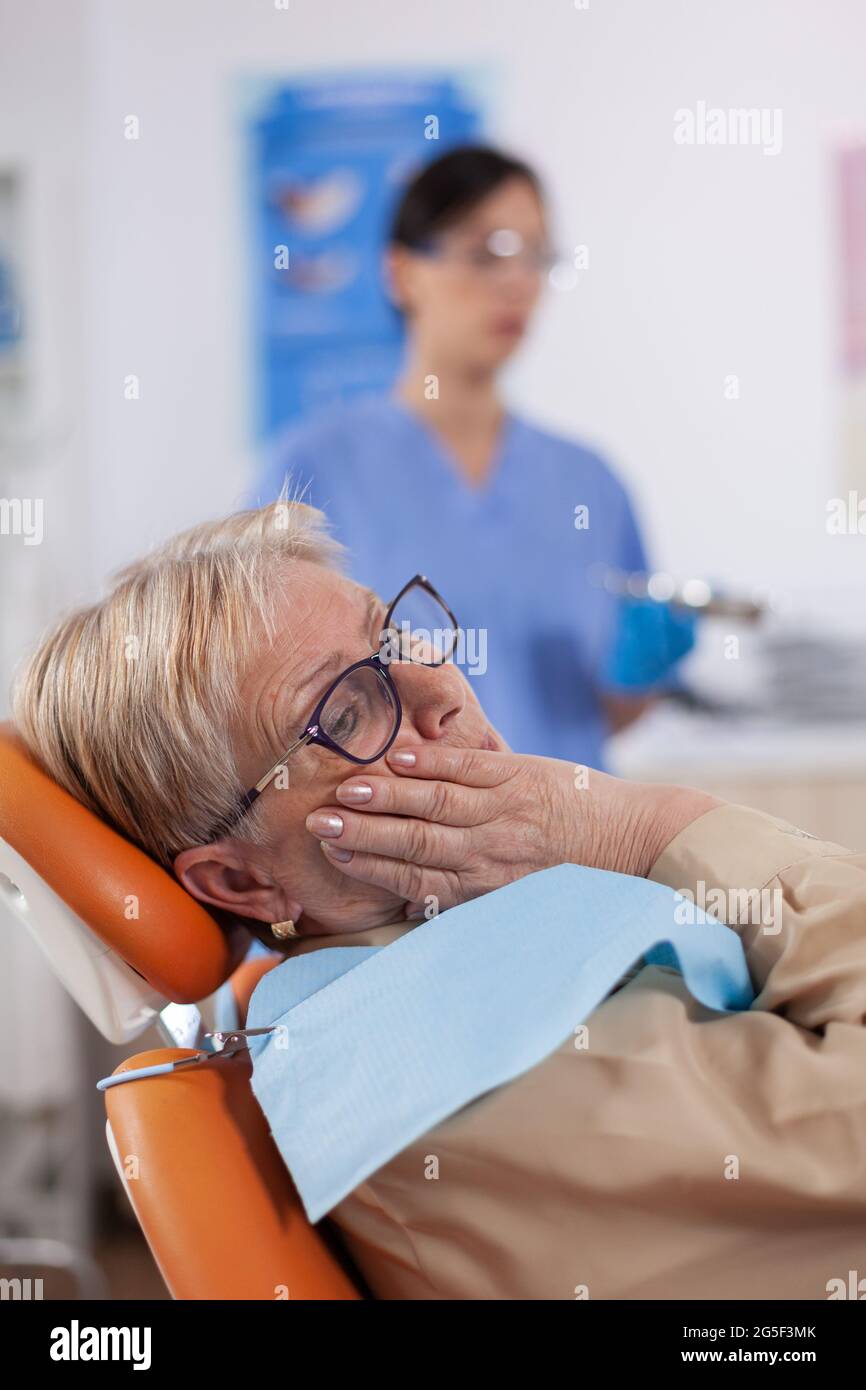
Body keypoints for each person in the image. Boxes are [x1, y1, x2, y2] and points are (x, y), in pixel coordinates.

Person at [13, 498, 866, 1299]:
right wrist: (653, 828)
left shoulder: (476, 946)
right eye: (343, 715)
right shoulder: (474, 1078)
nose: (440, 690)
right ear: (242, 880)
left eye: (394, 637)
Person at [258, 146, 694, 769]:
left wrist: (638, 678)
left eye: (536, 256)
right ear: (403, 272)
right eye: (488, 253)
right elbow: (267, 705)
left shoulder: (590, 483)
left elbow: (611, 713)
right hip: (395, 843)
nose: (519, 282)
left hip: (570, 843)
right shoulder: (309, 471)